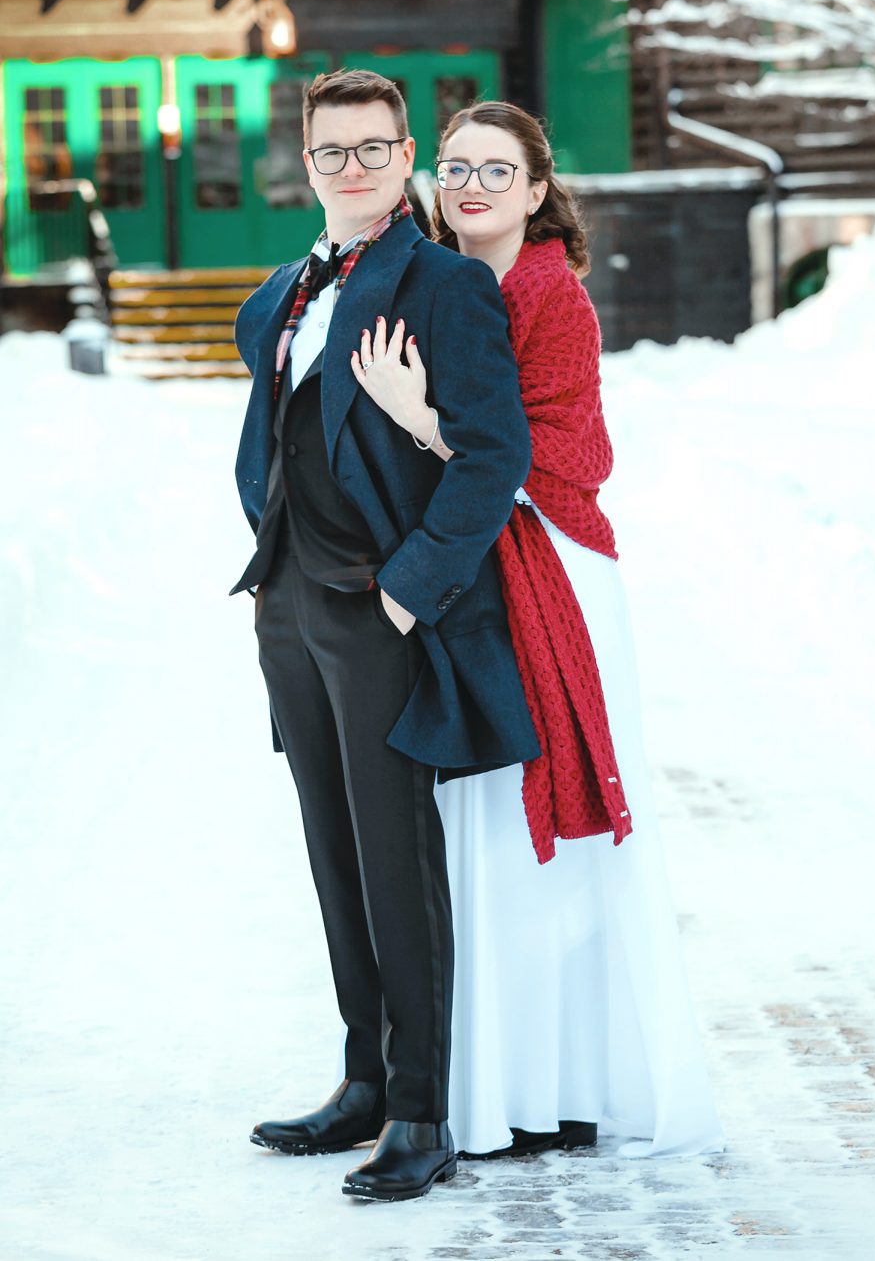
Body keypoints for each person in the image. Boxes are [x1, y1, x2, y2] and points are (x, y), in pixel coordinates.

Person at [351, 101, 724, 1159]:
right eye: (456, 168)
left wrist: (423, 420)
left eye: (494, 172)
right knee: (477, 823)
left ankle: (560, 1082)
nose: (470, 187)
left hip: (550, 558)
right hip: (473, 560)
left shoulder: (548, 295)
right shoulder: (430, 283)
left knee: (532, 822)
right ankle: (489, 1077)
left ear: (534, 188)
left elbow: (561, 455)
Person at [230, 72, 540, 1202]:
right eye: (331, 151)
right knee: (333, 857)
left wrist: (409, 591)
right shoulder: (279, 292)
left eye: (373, 149)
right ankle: (362, 1079)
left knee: (399, 864)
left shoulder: (445, 284)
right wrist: (273, 564)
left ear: (407, 158)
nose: (351, 167)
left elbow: (493, 456)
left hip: (382, 610)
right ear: (306, 161)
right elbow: (269, 435)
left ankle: (420, 1111)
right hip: (292, 608)